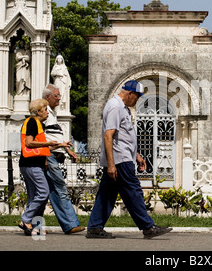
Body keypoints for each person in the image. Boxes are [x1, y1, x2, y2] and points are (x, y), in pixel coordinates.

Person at [86, 80, 172, 239]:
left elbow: (124, 136)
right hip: (119, 159)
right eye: (137, 97)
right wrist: (111, 164)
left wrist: (137, 155)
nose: (137, 100)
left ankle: (95, 227)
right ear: (130, 93)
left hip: (123, 157)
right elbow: (108, 135)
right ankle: (148, 227)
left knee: (107, 194)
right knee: (133, 191)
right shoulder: (115, 106)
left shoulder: (122, 107)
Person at [43, 84, 85, 234]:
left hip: (54, 154)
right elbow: (41, 137)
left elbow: (54, 136)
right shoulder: (44, 113)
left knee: (47, 192)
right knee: (60, 189)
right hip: (49, 155)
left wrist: (68, 150)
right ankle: (71, 224)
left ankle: (30, 223)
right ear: (47, 97)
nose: (60, 98)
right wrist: (45, 157)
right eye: (56, 95)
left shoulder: (52, 113)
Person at [18, 99, 59, 236]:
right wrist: (48, 143)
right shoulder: (32, 122)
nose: (47, 112)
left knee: (33, 196)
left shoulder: (37, 124)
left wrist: (61, 145)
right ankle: (26, 219)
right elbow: (29, 143)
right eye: (45, 110)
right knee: (43, 193)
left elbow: (41, 145)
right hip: (32, 164)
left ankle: (32, 225)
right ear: (38, 112)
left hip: (29, 164)